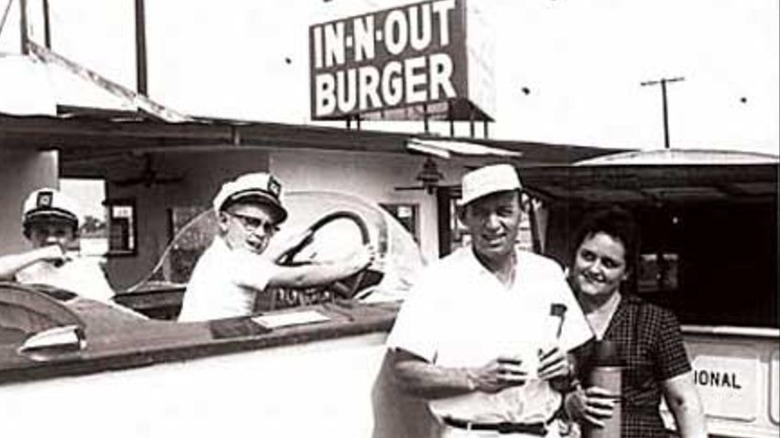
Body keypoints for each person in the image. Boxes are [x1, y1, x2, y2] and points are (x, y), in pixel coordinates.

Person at [385, 164, 593, 437]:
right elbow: (402, 372)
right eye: (481, 213)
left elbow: (577, 352)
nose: (493, 224)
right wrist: (473, 378)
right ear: (463, 217)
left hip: (544, 430)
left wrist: (566, 363)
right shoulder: (437, 280)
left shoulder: (547, 273)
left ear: (523, 211)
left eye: (504, 211)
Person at [563, 207, 707, 438]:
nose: (594, 269)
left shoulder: (654, 321)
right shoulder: (553, 317)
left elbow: (683, 401)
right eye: (588, 256)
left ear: (627, 272)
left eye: (609, 263)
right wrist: (569, 404)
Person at [178, 171, 374, 321]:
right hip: (214, 354)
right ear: (223, 220)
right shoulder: (235, 261)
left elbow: (260, 264)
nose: (261, 233)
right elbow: (299, 278)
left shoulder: (220, 254)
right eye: (251, 222)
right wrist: (352, 265)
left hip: (209, 342)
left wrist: (289, 246)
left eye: (269, 227)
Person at [0, 188, 115, 302]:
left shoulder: (86, 270)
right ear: (28, 235)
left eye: (60, 233)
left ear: (73, 236)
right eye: (42, 232)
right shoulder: (21, 269)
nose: (50, 239)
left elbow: (108, 310)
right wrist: (39, 255)